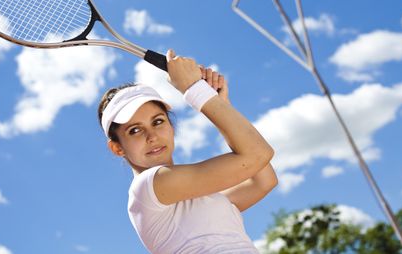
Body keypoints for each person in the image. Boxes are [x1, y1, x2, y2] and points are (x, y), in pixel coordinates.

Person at [97, 49, 277, 253]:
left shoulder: (209, 200)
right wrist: (195, 90)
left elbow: (264, 180)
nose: (152, 136)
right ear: (117, 147)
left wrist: (220, 103)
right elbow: (257, 155)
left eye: (158, 122)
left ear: (171, 126)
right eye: (135, 130)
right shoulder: (148, 186)